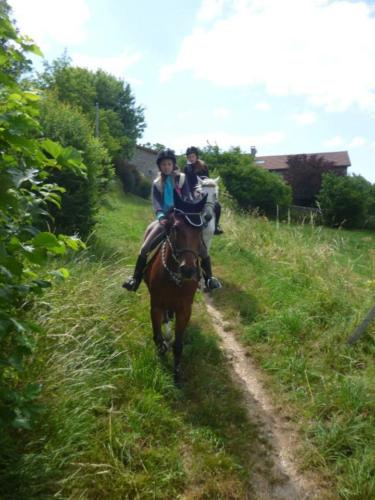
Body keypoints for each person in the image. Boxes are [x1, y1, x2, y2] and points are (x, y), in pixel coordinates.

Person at [122, 148, 221, 292]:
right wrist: (161, 216)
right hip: (165, 220)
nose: (166, 167)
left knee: (202, 250)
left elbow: (187, 196)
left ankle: (209, 278)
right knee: (145, 248)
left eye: (169, 164)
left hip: (181, 218)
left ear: (173, 164)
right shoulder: (156, 183)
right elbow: (156, 203)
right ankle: (135, 278)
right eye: (163, 165)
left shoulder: (182, 179)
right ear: (159, 167)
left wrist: (190, 208)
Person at [184, 146, 223, 235]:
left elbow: (207, 179)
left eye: (192, 156)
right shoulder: (186, 168)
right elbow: (187, 183)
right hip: (191, 191)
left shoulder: (203, 166)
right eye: (189, 157)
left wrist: (202, 190)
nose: (191, 158)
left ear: (196, 156)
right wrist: (192, 192)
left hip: (204, 189)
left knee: (218, 206)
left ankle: (216, 226)